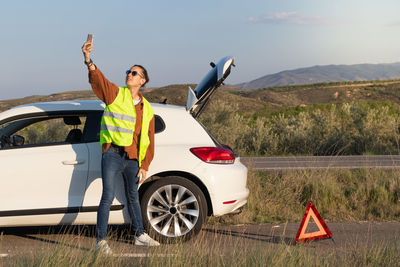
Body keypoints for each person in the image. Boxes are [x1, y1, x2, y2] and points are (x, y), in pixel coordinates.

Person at [81, 39, 160, 254]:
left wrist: (145, 165)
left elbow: (150, 139)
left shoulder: (148, 109)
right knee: (107, 196)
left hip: (133, 159)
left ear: (142, 80)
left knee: (133, 196)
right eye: (128, 71)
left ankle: (140, 235)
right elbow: (99, 80)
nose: (129, 74)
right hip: (113, 155)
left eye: (134, 73)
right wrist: (88, 60)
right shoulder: (117, 94)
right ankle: (101, 242)